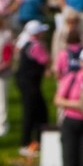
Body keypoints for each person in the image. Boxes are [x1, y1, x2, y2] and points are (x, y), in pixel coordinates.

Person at [14, 18, 52, 152]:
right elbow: (46, 60)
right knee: (30, 112)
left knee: (40, 112)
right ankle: (25, 143)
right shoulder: (36, 46)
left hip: (27, 82)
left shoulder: (27, 43)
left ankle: (38, 140)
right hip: (30, 83)